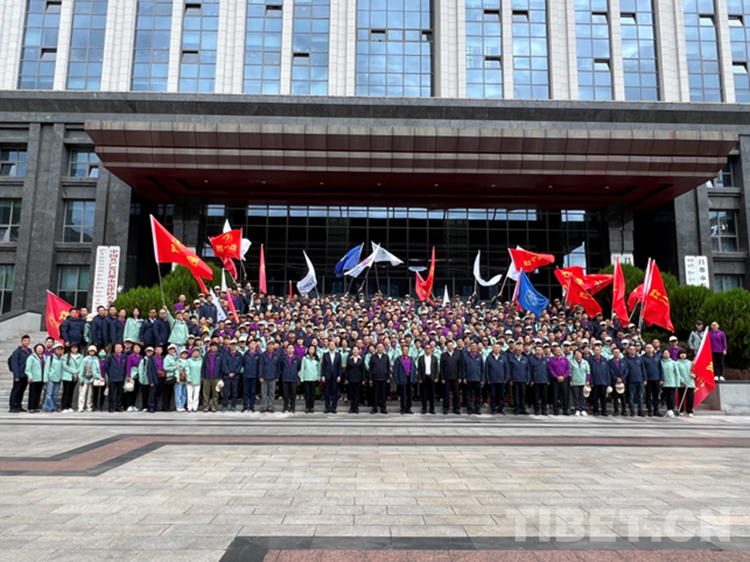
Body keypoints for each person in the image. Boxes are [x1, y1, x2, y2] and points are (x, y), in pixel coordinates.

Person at [9, 335, 31, 413]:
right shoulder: (17, 352)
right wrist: (16, 375)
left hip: (26, 374)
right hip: (19, 374)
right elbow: (15, 364)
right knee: (16, 390)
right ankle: (13, 406)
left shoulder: (29, 351)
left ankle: (19, 405)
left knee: (22, 391)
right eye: (25, 341)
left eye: (28, 341)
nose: (26, 342)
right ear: (21, 341)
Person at [484, 343, 507, 415]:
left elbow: (506, 369)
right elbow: (487, 369)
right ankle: (493, 409)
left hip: (501, 380)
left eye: (498, 348)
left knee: (501, 395)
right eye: (495, 348)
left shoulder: (503, 358)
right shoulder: (489, 358)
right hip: (492, 380)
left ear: (500, 349)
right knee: (493, 395)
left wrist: (506, 378)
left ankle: (500, 408)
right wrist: (488, 379)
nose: (496, 349)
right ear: (492, 349)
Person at [507, 342, 530, 415]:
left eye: (519, 350)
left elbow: (528, 370)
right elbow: (509, 370)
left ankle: (522, 408)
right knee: (516, 395)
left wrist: (528, 379)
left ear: (522, 351)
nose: (518, 351)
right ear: (514, 351)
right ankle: (516, 409)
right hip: (515, 380)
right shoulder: (511, 359)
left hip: (523, 379)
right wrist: (510, 379)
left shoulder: (525, 359)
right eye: (517, 350)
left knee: (523, 395)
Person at [440, 340, 462, 415]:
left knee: (456, 394)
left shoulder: (457, 355)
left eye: (451, 345)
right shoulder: (443, 355)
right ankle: (446, 408)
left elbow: (460, 367)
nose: (450, 347)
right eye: (449, 345)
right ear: (447, 346)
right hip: (446, 378)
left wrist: (459, 377)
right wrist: (442, 378)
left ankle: (456, 408)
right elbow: (441, 368)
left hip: (455, 377)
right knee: (446, 394)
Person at [641, 343, 664, 417]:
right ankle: (649, 410)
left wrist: (661, 379)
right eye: (647, 348)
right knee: (648, 396)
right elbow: (643, 369)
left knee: (656, 396)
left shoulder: (657, 357)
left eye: (650, 347)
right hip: (648, 379)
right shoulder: (643, 358)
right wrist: (644, 379)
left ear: (653, 349)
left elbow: (660, 369)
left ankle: (656, 410)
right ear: (645, 349)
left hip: (656, 379)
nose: (649, 349)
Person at [393, 344, 416, 415]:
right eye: (404, 350)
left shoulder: (411, 359)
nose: (405, 351)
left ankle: (408, 408)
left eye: (407, 350)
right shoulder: (398, 359)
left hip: (410, 378)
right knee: (403, 394)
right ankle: (403, 408)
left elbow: (414, 369)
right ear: (402, 350)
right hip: (402, 378)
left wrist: (414, 378)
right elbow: (395, 371)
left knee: (410, 394)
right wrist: (397, 380)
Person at [201, 341, 224, 412]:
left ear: (217, 348)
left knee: (215, 393)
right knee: (206, 393)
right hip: (207, 376)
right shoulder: (206, 355)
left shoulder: (220, 355)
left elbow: (222, 367)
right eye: (212, 346)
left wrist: (220, 376)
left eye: (215, 346)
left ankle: (214, 406)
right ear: (210, 347)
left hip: (216, 376)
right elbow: (203, 366)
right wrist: (202, 376)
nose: (213, 348)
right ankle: (206, 406)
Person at [25, 343, 48, 413]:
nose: (40, 350)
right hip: (34, 378)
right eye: (38, 348)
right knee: (32, 393)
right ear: (35, 349)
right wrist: (30, 376)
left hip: (41, 378)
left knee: (38, 393)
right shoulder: (31, 357)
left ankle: (36, 407)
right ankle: (31, 407)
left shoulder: (45, 357)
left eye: (41, 348)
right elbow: (28, 369)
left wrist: (45, 378)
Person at [623, 346, 646, 417]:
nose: (632, 350)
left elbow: (643, 369)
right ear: (628, 350)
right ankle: (632, 411)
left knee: (640, 396)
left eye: (633, 349)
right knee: (631, 397)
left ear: (636, 350)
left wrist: (645, 379)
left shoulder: (640, 359)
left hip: (640, 379)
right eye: (631, 349)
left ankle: (640, 411)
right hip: (630, 380)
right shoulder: (625, 359)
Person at [587, 344, 609, 416]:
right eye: (596, 350)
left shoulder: (604, 359)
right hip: (594, 382)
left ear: (601, 351)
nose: (597, 351)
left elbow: (607, 371)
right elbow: (589, 371)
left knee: (603, 398)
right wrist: (591, 382)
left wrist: (608, 382)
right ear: (593, 351)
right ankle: (596, 411)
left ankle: (604, 411)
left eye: (598, 350)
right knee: (595, 397)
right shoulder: (590, 360)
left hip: (603, 381)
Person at [321, 340, 342, 414]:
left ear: (335, 346)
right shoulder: (325, 354)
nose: (332, 346)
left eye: (333, 344)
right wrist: (323, 375)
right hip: (327, 376)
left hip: (335, 376)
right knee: (326, 392)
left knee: (335, 392)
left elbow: (339, 366)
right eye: (330, 344)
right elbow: (323, 366)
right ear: (328, 346)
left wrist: (339, 375)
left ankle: (333, 407)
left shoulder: (338, 355)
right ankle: (327, 407)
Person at [417, 343, 439, 415]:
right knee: (424, 394)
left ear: (431, 349)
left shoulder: (434, 358)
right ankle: (424, 409)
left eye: (429, 348)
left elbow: (436, 369)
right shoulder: (421, 358)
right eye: (426, 348)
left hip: (432, 378)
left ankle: (432, 409)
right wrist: (419, 378)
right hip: (424, 378)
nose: (427, 349)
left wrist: (436, 377)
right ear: (424, 349)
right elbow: (419, 369)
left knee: (432, 394)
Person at [548, 344, 570, 416]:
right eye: (557, 350)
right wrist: (556, 377)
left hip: (564, 378)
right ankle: (555, 410)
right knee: (555, 395)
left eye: (559, 350)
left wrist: (564, 376)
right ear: (554, 352)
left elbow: (568, 369)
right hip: (555, 379)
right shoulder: (551, 359)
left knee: (565, 395)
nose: (558, 351)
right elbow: (551, 369)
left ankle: (565, 410)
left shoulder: (565, 359)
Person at [104, 343, 127, 413]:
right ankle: (111, 407)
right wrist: (110, 373)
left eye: (119, 347)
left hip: (121, 377)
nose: (118, 349)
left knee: (120, 393)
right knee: (111, 393)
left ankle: (118, 407)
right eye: (116, 347)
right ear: (114, 349)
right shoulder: (110, 357)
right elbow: (106, 366)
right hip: (112, 378)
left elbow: (126, 367)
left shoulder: (124, 357)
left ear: (122, 349)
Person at [369, 342, 390, 414]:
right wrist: (370, 378)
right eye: (378, 347)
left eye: (381, 347)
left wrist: (388, 378)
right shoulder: (373, 357)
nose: (380, 348)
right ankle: (374, 408)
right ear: (376, 348)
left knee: (383, 394)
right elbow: (371, 368)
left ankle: (383, 408)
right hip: (375, 378)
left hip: (384, 378)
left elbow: (388, 368)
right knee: (375, 394)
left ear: (383, 348)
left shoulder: (386, 357)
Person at [43, 343, 65, 412]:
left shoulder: (63, 358)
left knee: (55, 394)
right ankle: (48, 407)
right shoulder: (50, 358)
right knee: (49, 394)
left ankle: (54, 407)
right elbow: (46, 369)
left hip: (59, 378)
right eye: (57, 349)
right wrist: (45, 378)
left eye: (60, 349)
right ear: (54, 350)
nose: (59, 350)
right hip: (51, 378)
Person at [463, 342, 484, 415]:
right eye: (472, 346)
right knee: (469, 396)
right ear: (469, 347)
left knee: (478, 396)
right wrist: (464, 377)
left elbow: (482, 368)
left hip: (478, 379)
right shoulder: (466, 356)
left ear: (476, 347)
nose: (473, 348)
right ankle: (469, 409)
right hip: (469, 379)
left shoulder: (479, 356)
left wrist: (482, 378)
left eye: (474, 346)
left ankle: (477, 409)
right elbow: (464, 367)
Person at [61, 343, 82, 413]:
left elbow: (81, 365)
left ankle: (69, 406)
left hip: (75, 377)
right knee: (66, 392)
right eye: (73, 348)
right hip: (67, 376)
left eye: (76, 348)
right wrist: (74, 371)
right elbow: (65, 366)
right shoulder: (65, 356)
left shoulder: (80, 356)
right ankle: (64, 406)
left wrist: (77, 372)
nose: (74, 349)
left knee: (71, 392)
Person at [222, 339, 243, 412]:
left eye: (234, 344)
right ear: (229, 345)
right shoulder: (225, 354)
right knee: (226, 392)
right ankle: (225, 406)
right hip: (227, 376)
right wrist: (228, 373)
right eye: (232, 344)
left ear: (236, 345)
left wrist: (235, 373)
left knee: (235, 392)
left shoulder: (239, 355)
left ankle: (233, 406)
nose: (233, 346)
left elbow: (240, 365)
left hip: (235, 376)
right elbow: (224, 365)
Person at [259, 341, 280, 413]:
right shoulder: (263, 355)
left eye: (272, 345)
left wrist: (277, 376)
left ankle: (271, 406)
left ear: (274, 346)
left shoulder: (277, 355)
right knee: (264, 393)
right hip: (264, 376)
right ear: (267, 346)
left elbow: (278, 367)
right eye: (269, 345)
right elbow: (261, 366)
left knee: (272, 393)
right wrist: (261, 376)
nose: (271, 346)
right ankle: (264, 406)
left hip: (273, 376)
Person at [280, 344, 301, 413]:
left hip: (293, 378)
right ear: (286, 349)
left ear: (293, 349)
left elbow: (298, 367)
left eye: (292, 348)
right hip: (285, 378)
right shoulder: (283, 358)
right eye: (289, 348)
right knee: (285, 395)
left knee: (293, 394)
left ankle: (292, 407)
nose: (290, 349)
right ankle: (285, 407)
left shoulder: (297, 358)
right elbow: (281, 367)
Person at [79, 345, 101, 412]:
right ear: (88, 351)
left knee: (90, 394)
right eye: (90, 351)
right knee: (82, 393)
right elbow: (81, 369)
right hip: (84, 378)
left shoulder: (97, 359)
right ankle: (81, 407)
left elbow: (98, 369)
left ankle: (89, 406)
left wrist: (99, 376)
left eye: (93, 351)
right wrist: (80, 378)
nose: (92, 352)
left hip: (92, 378)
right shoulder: (84, 359)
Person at [527, 344, 548, 416]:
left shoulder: (545, 359)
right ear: (535, 351)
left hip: (544, 380)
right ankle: (536, 410)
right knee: (536, 397)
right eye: (537, 350)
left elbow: (548, 370)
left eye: (540, 350)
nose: (539, 351)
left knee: (544, 397)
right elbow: (529, 370)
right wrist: (531, 380)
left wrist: (548, 379)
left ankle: (544, 410)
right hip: (535, 381)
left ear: (542, 351)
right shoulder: (531, 359)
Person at [569, 348, 590, 416]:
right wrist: (570, 380)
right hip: (575, 381)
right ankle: (577, 409)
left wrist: (588, 380)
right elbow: (570, 372)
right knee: (576, 396)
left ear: (581, 354)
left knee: (583, 396)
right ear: (574, 355)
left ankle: (583, 409)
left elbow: (588, 372)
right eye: (576, 354)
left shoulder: (585, 362)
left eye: (579, 353)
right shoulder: (571, 362)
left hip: (583, 381)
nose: (578, 355)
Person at [241, 340, 261, 412]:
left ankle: (252, 406)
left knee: (253, 392)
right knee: (245, 391)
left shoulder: (258, 354)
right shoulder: (245, 354)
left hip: (254, 375)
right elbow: (243, 363)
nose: (252, 345)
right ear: (248, 345)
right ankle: (245, 406)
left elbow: (259, 364)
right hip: (246, 375)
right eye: (251, 344)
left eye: (254, 343)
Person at [345, 346, 365, 414]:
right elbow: (347, 370)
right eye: (354, 350)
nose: (355, 351)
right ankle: (352, 407)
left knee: (357, 394)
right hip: (350, 379)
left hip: (358, 379)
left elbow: (363, 370)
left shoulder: (361, 359)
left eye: (357, 350)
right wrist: (346, 378)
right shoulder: (349, 359)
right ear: (352, 351)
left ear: (358, 351)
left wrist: (363, 379)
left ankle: (356, 407)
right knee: (351, 394)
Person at [660, 349, 679, 418]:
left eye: (667, 353)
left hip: (672, 383)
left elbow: (677, 374)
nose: (666, 354)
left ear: (669, 354)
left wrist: (677, 384)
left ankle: (671, 410)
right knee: (666, 397)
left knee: (671, 397)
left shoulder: (673, 363)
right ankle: (668, 410)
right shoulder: (661, 362)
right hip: (664, 383)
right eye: (664, 353)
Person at [124, 343, 142, 412]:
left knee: (136, 391)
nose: (137, 349)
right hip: (132, 374)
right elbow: (128, 366)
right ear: (133, 349)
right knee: (130, 390)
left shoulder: (141, 356)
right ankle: (128, 405)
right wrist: (128, 376)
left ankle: (133, 405)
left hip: (139, 375)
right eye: (136, 348)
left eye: (138, 348)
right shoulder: (130, 356)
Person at [676, 350, 695, 416]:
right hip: (682, 383)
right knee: (681, 397)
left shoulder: (690, 363)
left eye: (684, 354)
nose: (683, 355)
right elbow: (677, 374)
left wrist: (693, 375)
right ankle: (681, 410)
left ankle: (689, 411)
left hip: (690, 382)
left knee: (690, 398)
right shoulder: (677, 363)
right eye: (681, 354)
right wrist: (682, 381)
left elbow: (694, 371)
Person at [184, 347, 203, 413]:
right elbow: (187, 370)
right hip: (190, 380)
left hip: (198, 380)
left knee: (196, 395)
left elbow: (202, 370)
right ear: (192, 353)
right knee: (189, 395)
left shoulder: (201, 360)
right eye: (194, 351)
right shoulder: (188, 360)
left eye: (197, 352)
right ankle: (189, 407)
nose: (196, 353)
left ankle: (195, 407)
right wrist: (188, 378)